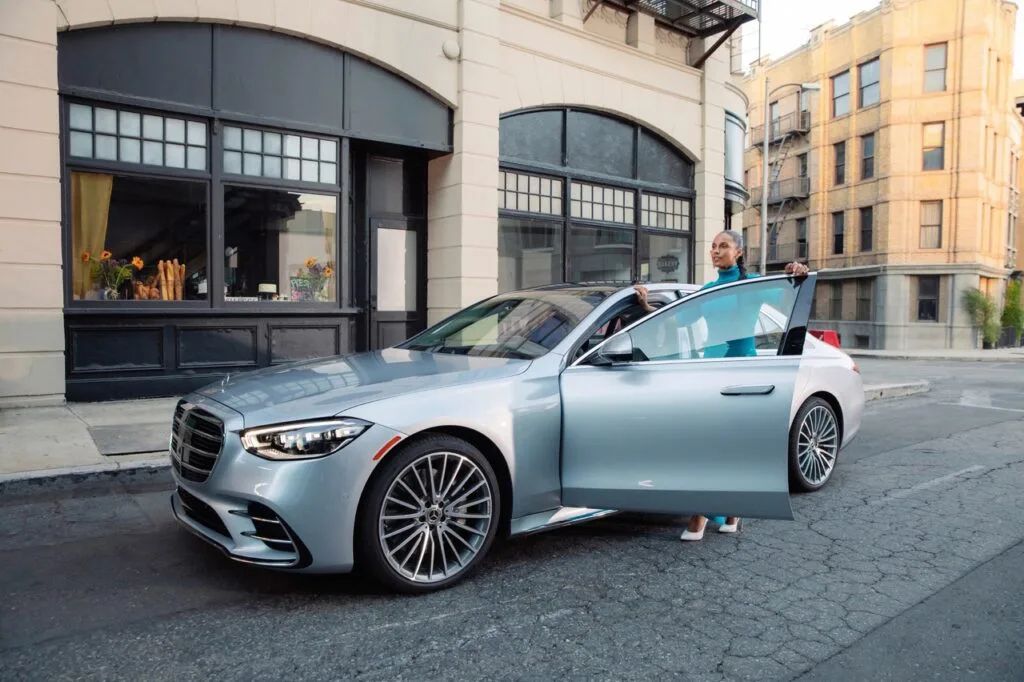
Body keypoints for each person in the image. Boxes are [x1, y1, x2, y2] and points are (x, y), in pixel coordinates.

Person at [633, 229, 808, 541]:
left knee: (727, 444)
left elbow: (787, 300)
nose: (715, 251)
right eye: (713, 246)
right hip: (710, 369)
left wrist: (797, 275)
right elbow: (679, 320)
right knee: (707, 442)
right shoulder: (710, 290)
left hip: (741, 370)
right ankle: (723, 511)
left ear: (738, 252)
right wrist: (646, 307)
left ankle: (706, 514)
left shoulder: (752, 284)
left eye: (723, 246)